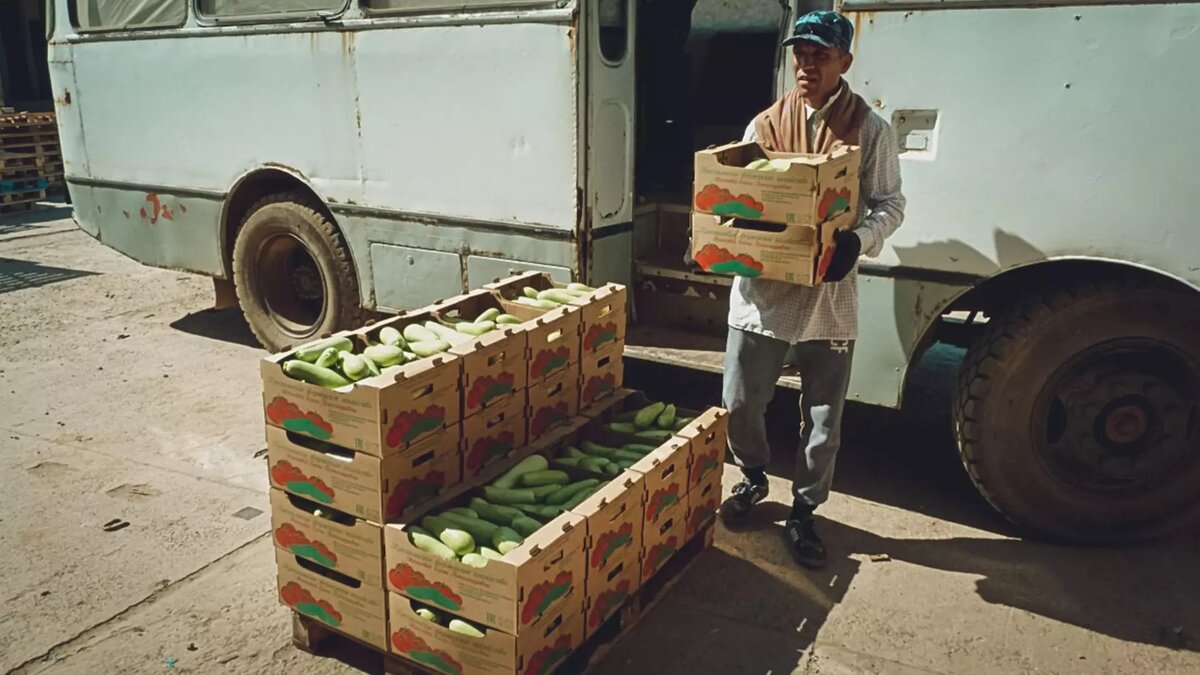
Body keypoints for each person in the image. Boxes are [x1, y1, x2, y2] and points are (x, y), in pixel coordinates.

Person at [718, 11, 906, 569]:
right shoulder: (764, 126)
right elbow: (737, 195)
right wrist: (729, 231)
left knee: (823, 422)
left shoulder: (871, 129)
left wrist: (859, 240)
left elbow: (890, 203)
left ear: (845, 62)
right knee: (740, 403)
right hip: (762, 296)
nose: (808, 64)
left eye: (821, 54)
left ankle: (804, 511)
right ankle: (753, 477)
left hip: (829, 299)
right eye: (801, 53)